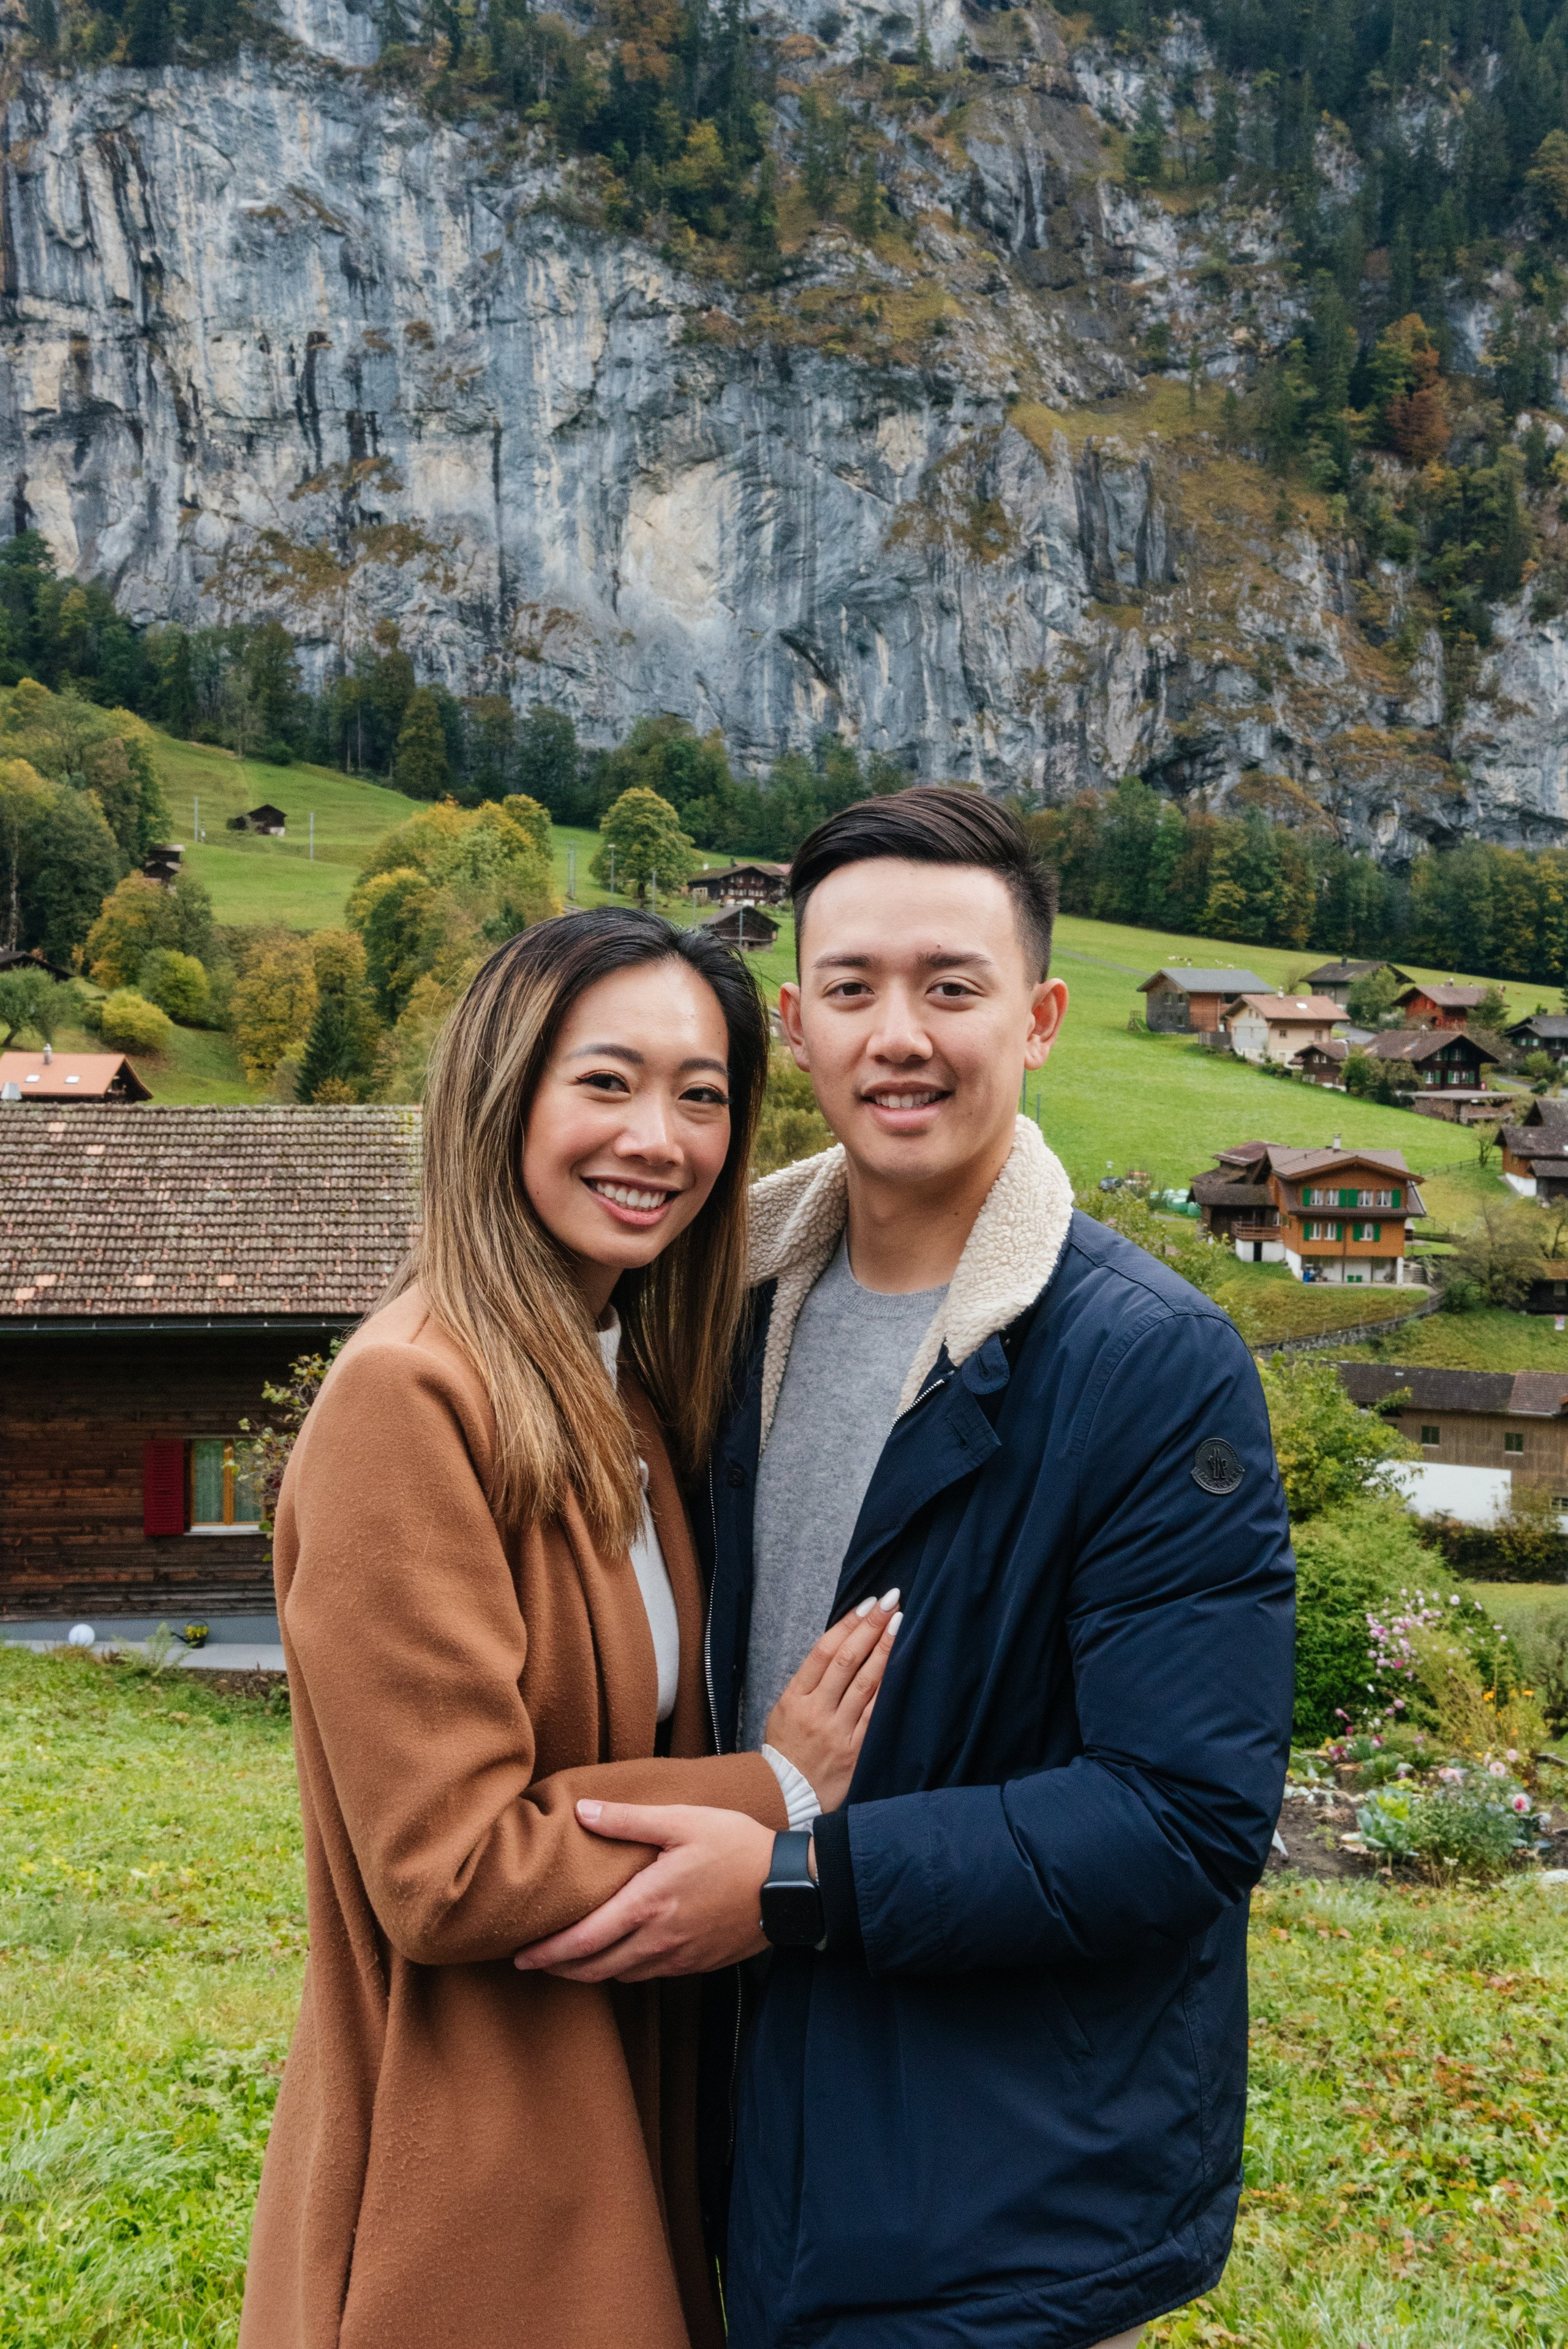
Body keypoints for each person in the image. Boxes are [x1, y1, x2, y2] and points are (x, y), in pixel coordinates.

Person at [514, 792, 1297, 2349]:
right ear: (793, 1026)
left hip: (987, 2191)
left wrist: (793, 1887)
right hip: (717, 2122)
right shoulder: (705, 1318)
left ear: (1041, 1016)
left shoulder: (1149, 1367)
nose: (900, 1036)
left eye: (952, 986)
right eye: (855, 989)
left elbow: (1182, 1814)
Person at [239, 909, 898, 2349]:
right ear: (503, 1095)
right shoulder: (407, 1398)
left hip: (616, 2119)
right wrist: (773, 1791)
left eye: (702, 1093)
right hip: (467, 2178)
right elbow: (448, 1867)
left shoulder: (624, 1396)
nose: (656, 1137)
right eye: (605, 1080)